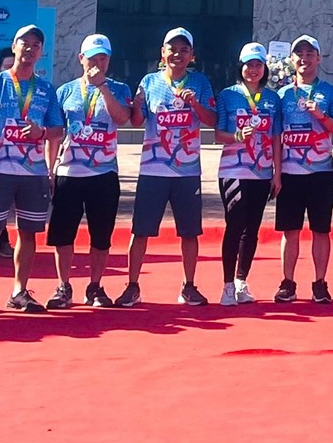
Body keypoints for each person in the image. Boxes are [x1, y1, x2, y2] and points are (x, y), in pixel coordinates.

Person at [120, 27, 216, 307]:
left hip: (187, 171)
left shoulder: (200, 82)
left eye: (184, 50)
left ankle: (189, 286)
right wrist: (137, 106)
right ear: (162, 53)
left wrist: (195, 104)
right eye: (172, 49)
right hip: (153, 169)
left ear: (192, 55)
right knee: (141, 230)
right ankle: (132, 286)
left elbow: (212, 120)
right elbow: (137, 121)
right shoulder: (149, 81)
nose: (177, 54)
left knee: (189, 232)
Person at [0, 24, 63, 316]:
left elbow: (58, 130)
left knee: (28, 234)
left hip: (33, 173)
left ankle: (19, 291)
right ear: (14, 47)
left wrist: (41, 133)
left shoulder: (46, 89)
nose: (30, 49)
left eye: (36, 45)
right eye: (25, 43)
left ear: (41, 52)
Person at [48, 34, 132, 308]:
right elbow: (55, 133)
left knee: (101, 235)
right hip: (69, 172)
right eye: (92, 58)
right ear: (81, 59)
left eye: (103, 58)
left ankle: (95, 286)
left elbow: (123, 118)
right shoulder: (65, 91)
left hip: (104, 173)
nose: (97, 63)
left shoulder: (119, 89)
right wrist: (50, 170)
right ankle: (63, 286)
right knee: (63, 234)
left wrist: (103, 88)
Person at [273, 34, 333, 303]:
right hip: (290, 174)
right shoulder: (281, 94)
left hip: (321, 173)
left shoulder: (331, 92)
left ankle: (320, 283)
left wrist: (321, 116)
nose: (304, 59)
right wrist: (277, 173)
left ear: (319, 58)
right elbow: (276, 136)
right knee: (290, 231)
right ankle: (288, 283)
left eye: (309, 54)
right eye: (299, 54)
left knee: (321, 230)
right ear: (291, 59)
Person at [215, 43, 279, 305]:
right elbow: (218, 134)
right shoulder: (228, 95)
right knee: (235, 226)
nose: (253, 70)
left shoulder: (273, 98)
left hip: (262, 172)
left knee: (252, 229)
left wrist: (277, 173)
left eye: (258, 65)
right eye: (249, 65)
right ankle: (227, 285)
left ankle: (242, 282)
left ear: (265, 68)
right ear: (240, 67)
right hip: (233, 170)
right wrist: (237, 136)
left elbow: (276, 137)